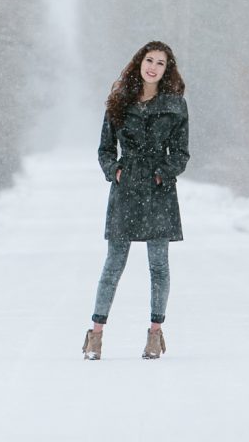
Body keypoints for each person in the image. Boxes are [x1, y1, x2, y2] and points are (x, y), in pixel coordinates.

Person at [82, 40, 190, 360]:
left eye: (160, 62)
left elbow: (181, 154)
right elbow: (104, 149)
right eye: (149, 60)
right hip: (125, 188)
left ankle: (155, 335)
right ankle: (95, 336)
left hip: (159, 192)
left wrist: (162, 174)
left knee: (158, 265)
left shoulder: (175, 106)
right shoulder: (118, 101)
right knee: (114, 264)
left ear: (167, 69)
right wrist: (114, 171)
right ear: (139, 62)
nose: (153, 66)